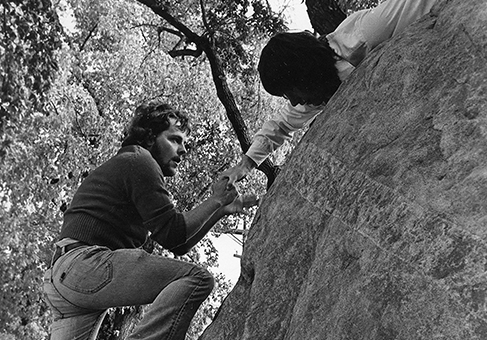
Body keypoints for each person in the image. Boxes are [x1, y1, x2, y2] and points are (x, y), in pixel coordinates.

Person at [43, 102, 258, 340]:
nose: (183, 149)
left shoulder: (131, 162)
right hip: (83, 266)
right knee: (197, 279)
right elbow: (174, 233)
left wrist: (220, 209)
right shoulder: (140, 161)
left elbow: (178, 245)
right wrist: (215, 201)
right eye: (175, 140)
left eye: (184, 142)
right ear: (150, 137)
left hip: (66, 279)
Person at [222, 0, 437, 186]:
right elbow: (280, 127)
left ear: (304, 72)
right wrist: (243, 167)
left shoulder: (367, 32)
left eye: (290, 92)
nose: (295, 101)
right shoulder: (314, 90)